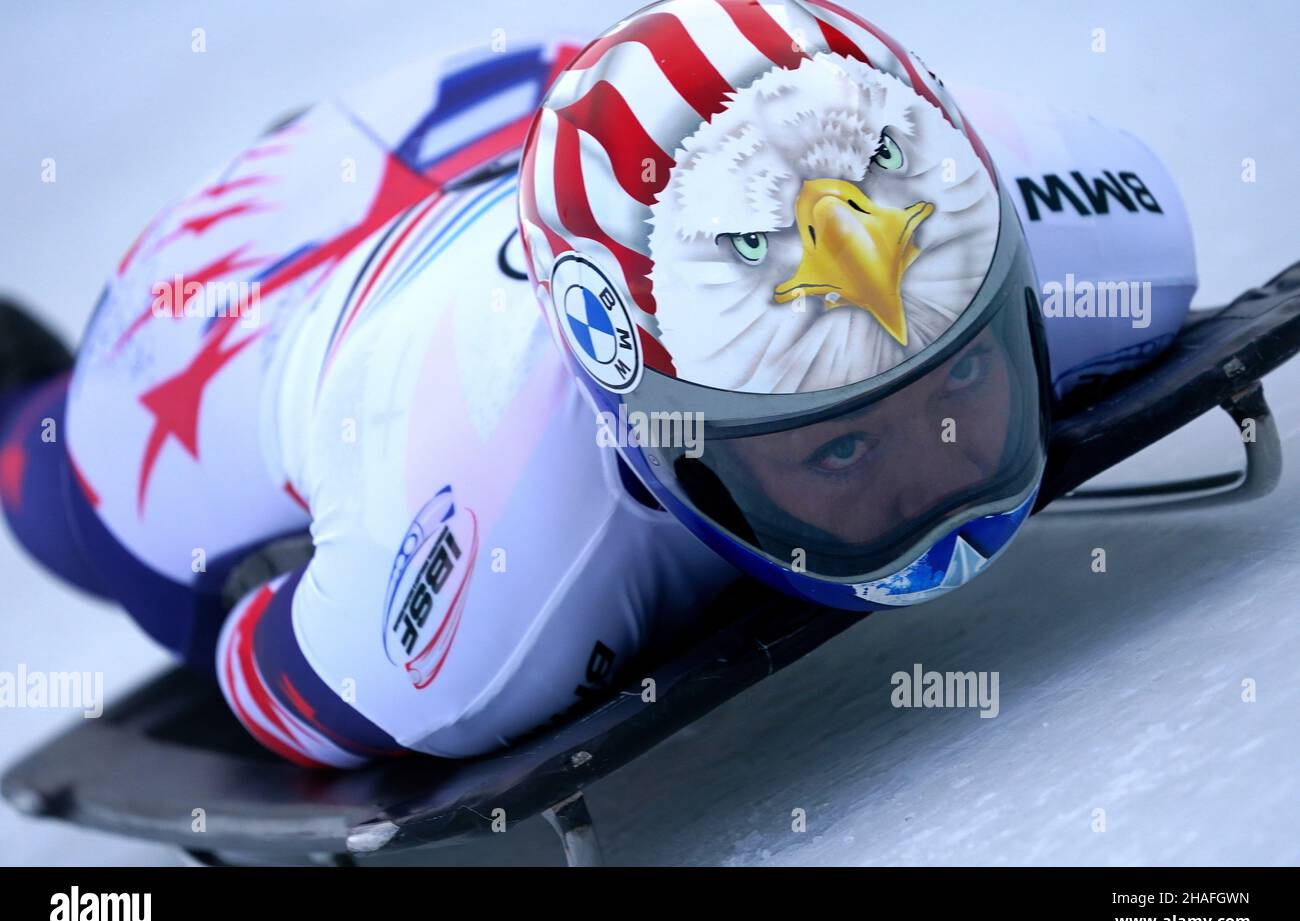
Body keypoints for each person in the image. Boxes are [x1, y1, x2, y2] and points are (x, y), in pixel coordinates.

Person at [0, 0, 1197, 767]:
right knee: (52, 485)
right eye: (839, 446)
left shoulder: (1083, 221)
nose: (943, 481)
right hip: (221, 331)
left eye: (966, 365)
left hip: (495, 116)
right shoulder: (475, 597)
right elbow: (286, 679)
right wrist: (277, 587)